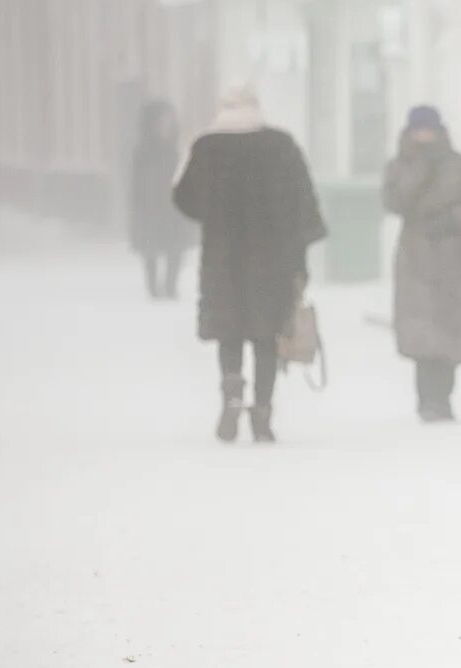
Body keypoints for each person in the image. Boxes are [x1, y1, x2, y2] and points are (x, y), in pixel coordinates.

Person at [173, 86, 327, 444]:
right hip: (272, 257)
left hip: (223, 256)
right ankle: (262, 413)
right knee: (266, 335)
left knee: (229, 331)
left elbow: (185, 200)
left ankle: (231, 389)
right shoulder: (280, 146)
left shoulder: (206, 147)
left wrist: (214, 210)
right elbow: (303, 202)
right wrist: (300, 259)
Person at [382, 105, 461, 422]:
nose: (424, 136)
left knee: (449, 331)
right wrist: (419, 172)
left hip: (452, 257)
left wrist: (453, 220)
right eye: (419, 130)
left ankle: (442, 397)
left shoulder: (457, 164)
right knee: (423, 334)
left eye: (429, 129)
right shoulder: (400, 165)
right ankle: (427, 400)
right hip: (415, 258)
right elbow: (393, 202)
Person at [127, 99, 195, 300]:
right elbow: (136, 182)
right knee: (151, 249)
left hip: (173, 205)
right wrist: (138, 204)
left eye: (168, 120)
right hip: (150, 206)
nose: (165, 125)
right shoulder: (143, 150)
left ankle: (170, 286)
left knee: (175, 248)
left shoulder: (175, 148)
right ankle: (153, 287)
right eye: (162, 121)